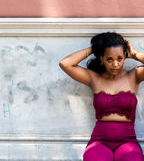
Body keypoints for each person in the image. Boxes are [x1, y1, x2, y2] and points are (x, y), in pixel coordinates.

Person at [59, 32, 144, 161]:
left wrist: (135, 54)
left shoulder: (134, 76)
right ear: (101, 58)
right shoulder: (94, 78)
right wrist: (94, 48)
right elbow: (65, 63)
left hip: (128, 141)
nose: (115, 64)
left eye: (120, 58)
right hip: (99, 141)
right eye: (109, 59)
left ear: (125, 57)